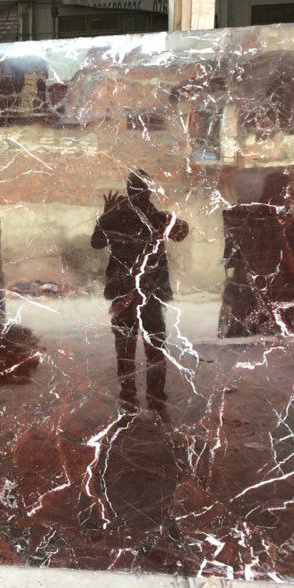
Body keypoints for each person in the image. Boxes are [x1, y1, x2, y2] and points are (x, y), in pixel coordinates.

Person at [91, 169, 189, 410]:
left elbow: (96, 242)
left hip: (129, 291)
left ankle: (131, 397)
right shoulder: (153, 217)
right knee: (152, 348)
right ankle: (153, 398)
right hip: (147, 292)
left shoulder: (124, 216)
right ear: (148, 190)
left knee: (128, 348)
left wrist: (107, 216)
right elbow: (182, 233)